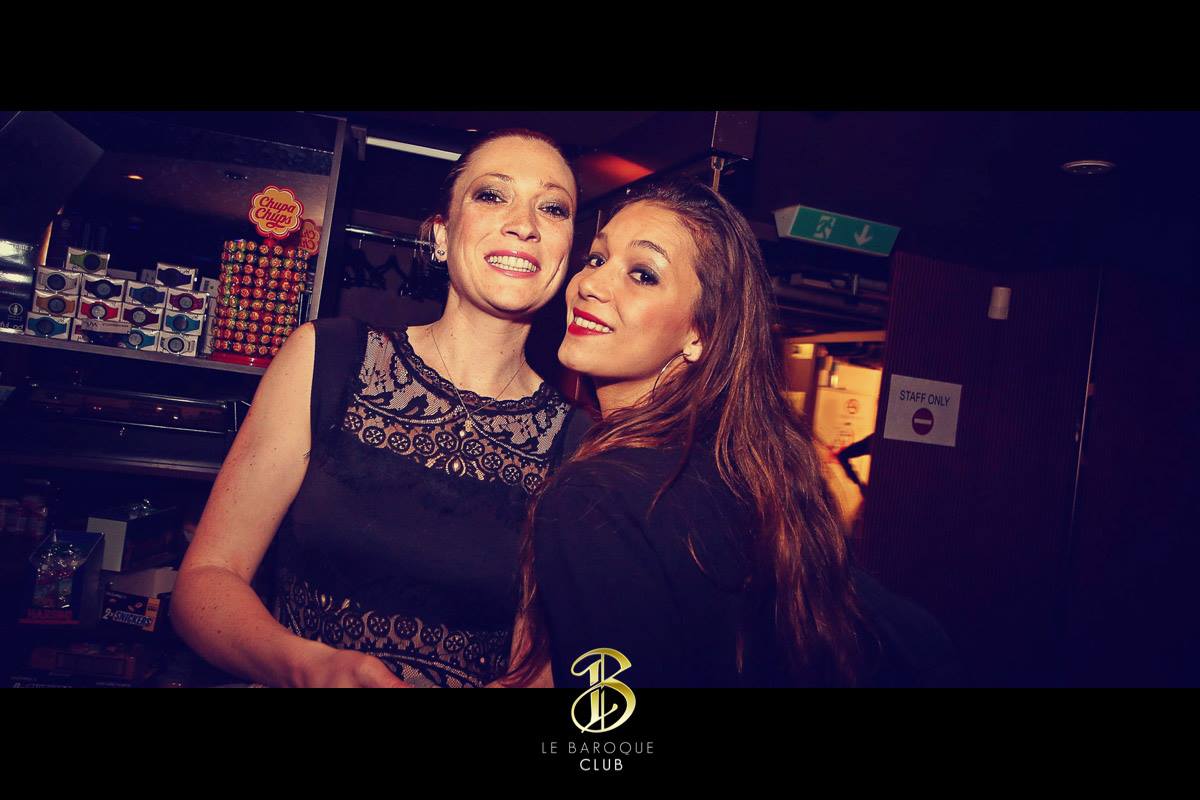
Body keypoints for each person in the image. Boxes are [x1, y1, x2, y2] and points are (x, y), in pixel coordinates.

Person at [503, 179, 957, 688]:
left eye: (643, 274)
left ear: (700, 333)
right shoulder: (754, 478)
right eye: (596, 258)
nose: (591, 284)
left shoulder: (598, 494)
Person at [172, 129, 582, 688]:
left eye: (553, 208)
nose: (524, 224)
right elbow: (206, 579)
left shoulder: (577, 441)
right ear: (442, 236)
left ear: (567, 250)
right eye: (492, 195)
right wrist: (307, 666)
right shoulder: (328, 357)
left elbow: (539, 662)